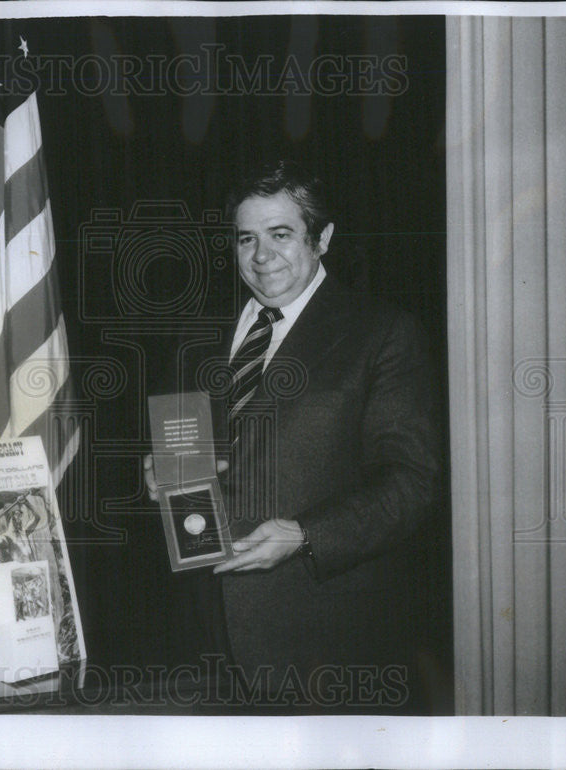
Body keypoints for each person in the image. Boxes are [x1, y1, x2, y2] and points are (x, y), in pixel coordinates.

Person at [145, 160, 441, 710]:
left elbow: (413, 484)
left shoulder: (382, 332)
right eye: (246, 239)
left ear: (322, 238)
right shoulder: (197, 336)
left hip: (323, 643)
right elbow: (183, 462)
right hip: (200, 644)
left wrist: (306, 535)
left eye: (281, 235)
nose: (261, 256)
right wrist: (159, 474)